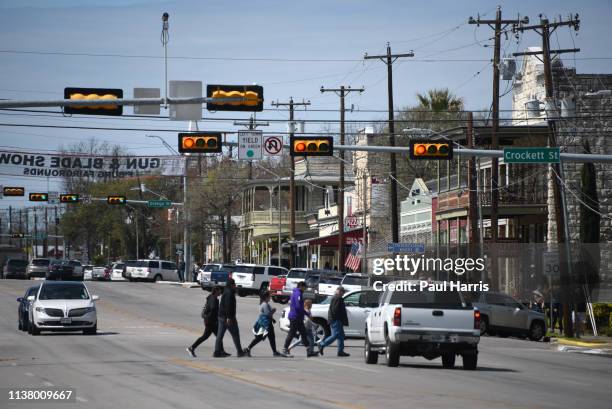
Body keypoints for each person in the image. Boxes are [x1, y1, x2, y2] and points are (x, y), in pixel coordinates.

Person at [282, 281, 317, 357]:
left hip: (298, 317)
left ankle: (309, 351)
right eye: (305, 287)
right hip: (295, 317)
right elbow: (298, 307)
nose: (305, 289)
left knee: (303, 334)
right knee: (291, 334)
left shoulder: (295, 292)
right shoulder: (298, 293)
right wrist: (307, 313)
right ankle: (285, 350)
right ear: (301, 286)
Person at [187, 286, 223, 358]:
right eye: (219, 291)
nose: (220, 292)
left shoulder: (211, 297)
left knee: (216, 336)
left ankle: (221, 351)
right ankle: (191, 348)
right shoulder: (213, 299)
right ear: (216, 291)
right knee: (213, 336)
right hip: (210, 321)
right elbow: (213, 310)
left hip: (209, 320)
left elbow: (208, 308)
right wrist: (215, 319)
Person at [243, 292, 283, 357]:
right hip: (266, 324)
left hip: (266, 323)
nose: (270, 297)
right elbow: (268, 314)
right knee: (260, 337)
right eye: (269, 296)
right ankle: (248, 349)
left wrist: (272, 319)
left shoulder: (264, 304)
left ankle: (274, 351)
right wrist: (273, 310)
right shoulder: (265, 305)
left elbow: (265, 314)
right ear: (266, 297)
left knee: (271, 338)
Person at [214, 278, 245, 357]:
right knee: (235, 334)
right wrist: (229, 318)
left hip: (222, 316)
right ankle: (240, 351)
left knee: (220, 335)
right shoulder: (229, 293)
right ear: (231, 285)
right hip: (228, 317)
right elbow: (228, 306)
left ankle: (217, 352)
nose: (235, 286)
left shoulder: (226, 291)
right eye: (234, 284)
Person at [318, 286, 349, 357]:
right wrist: (337, 319)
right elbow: (335, 310)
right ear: (338, 291)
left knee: (341, 336)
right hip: (336, 320)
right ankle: (322, 344)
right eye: (342, 292)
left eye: (344, 292)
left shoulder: (338, 298)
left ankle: (340, 351)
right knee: (336, 335)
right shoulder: (337, 298)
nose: (343, 293)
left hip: (337, 319)